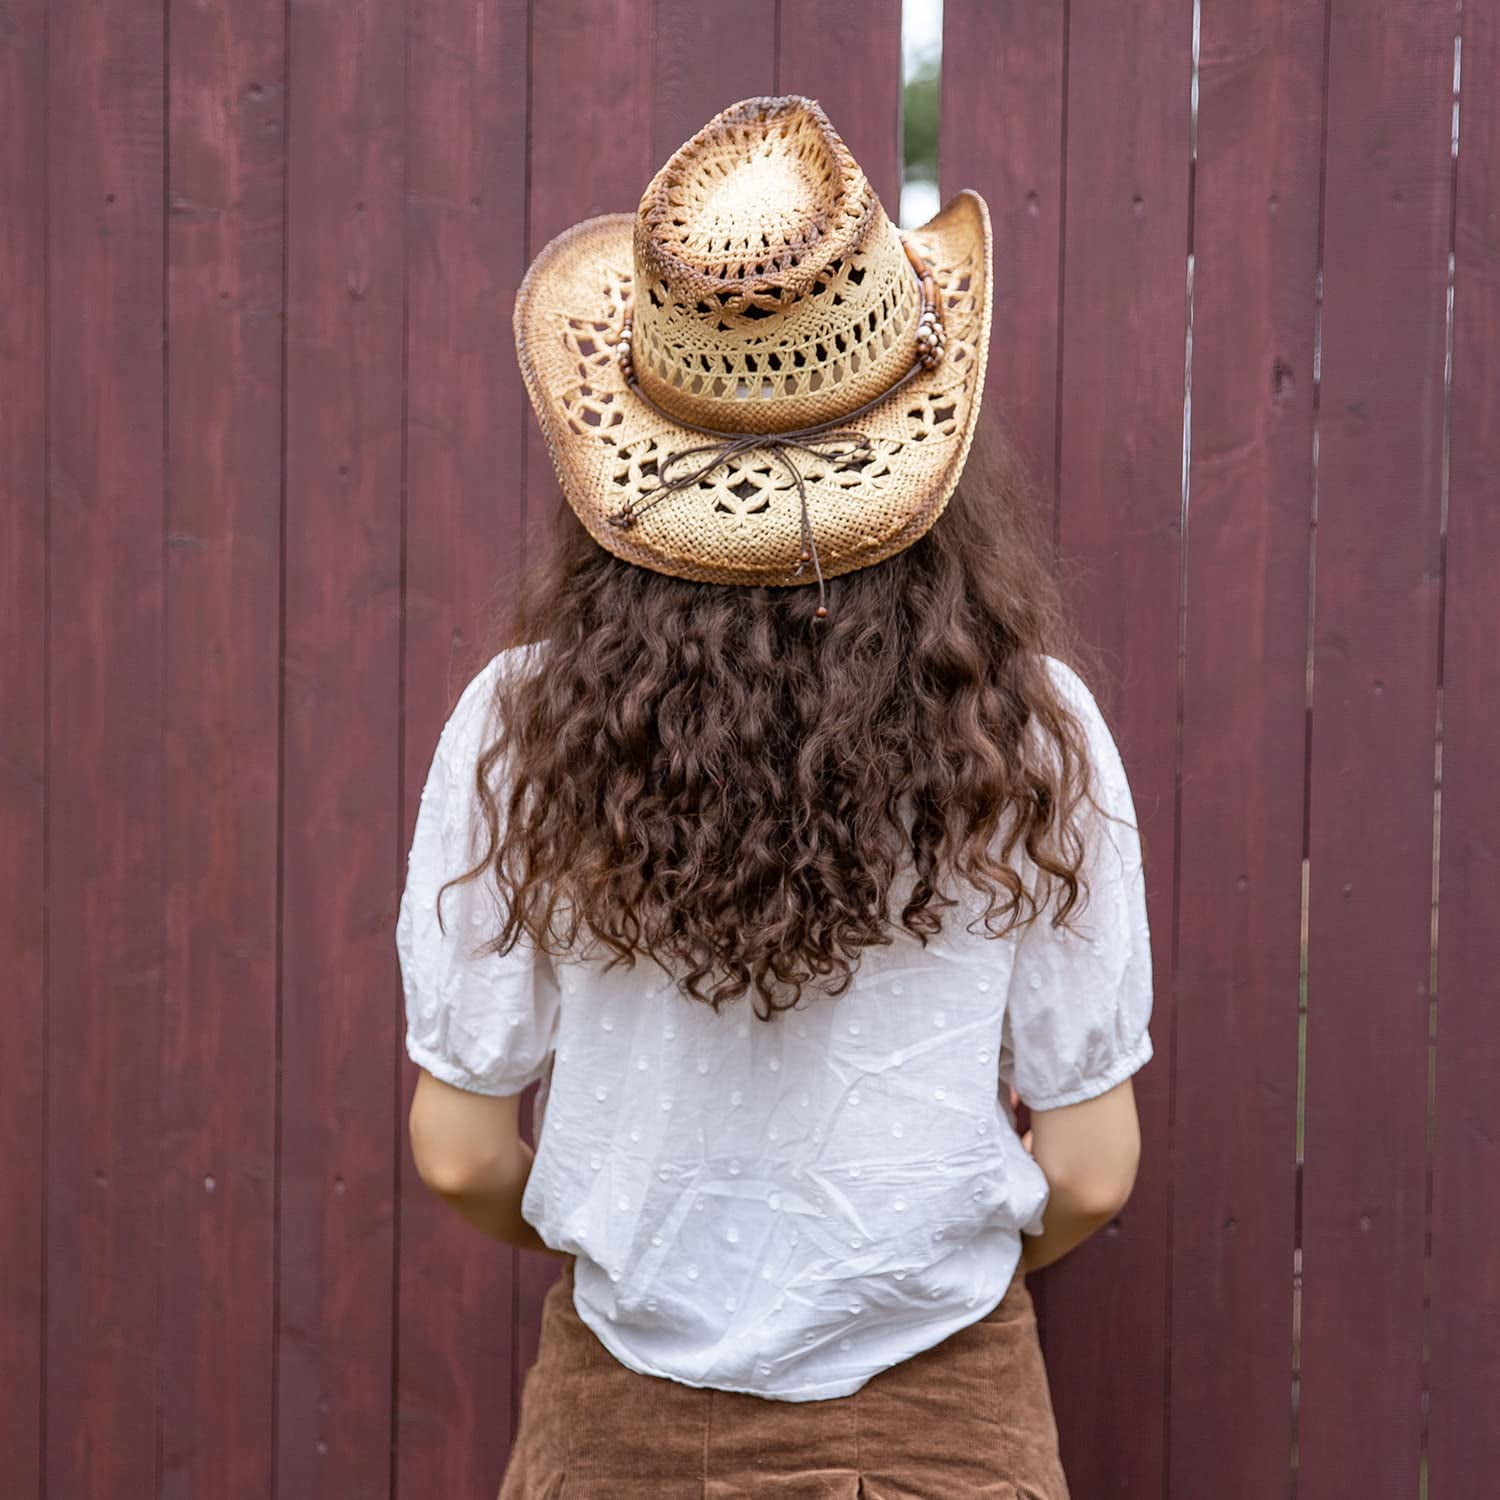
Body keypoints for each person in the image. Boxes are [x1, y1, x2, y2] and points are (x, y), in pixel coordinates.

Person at [396, 94, 1153, 1499]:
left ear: (630, 451)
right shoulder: (1033, 730)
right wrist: (912, 1277)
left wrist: (649, 1258)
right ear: (929, 442)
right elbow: (1094, 1169)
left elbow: (457, 1153)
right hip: (952, 1432)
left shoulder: (521, 721)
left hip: (619, 1429)